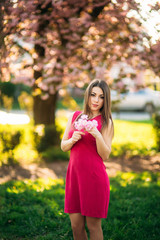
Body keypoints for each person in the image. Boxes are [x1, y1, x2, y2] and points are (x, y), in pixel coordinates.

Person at [61, 79, 114, 240]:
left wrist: (97, 134)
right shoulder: (75, 116)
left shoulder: (106, 122)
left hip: (94, 179)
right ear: (87, 95)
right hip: (74, 178)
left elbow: (105, 155)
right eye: (93, 95)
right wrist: (72, 140)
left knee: (93, 226)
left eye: (101, 97)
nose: (96, 100)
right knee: (76, 226)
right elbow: (63, 146)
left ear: (106, 100)